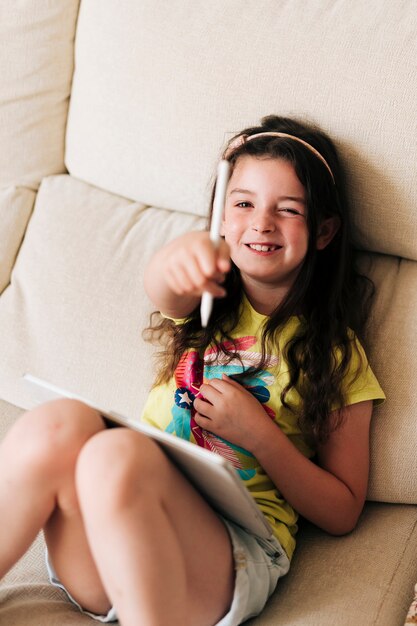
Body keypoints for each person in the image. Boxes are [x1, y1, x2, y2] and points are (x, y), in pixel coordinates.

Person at [0, 115, 385, 626]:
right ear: (221, 219)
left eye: (287, 210)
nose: (261, 222)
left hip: (225, 555)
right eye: (243, 204)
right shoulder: (209, 295)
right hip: (109, 551)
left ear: (324, 232)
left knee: (114, 452)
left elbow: (343, 510)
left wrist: (260, 435)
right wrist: (177, 258)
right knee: (61, 421)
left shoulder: (337, 353)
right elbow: (164, 284)